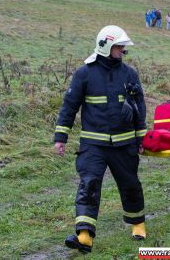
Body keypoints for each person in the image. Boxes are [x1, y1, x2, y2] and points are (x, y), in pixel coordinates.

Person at [54, 25, 148, 253]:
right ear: (106, 46)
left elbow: (140, 106)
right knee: (89, 185)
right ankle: (84, 235)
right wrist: (61, 136)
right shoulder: (84, 73)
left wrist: (141, 137)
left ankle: (138, 224)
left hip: (124, 144)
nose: (123, 51)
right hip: (93, 145)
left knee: (130, 185)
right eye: (119, 47)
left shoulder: (129, 74)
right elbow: (70, 106)